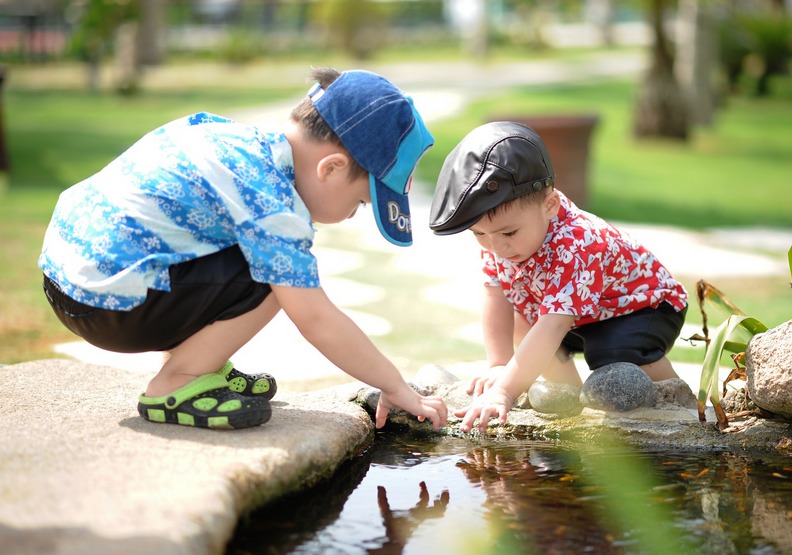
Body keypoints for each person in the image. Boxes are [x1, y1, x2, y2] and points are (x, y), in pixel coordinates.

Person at [39, 67, 448, 431]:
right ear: (332, 168)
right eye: (360, 203)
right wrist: (394, 385)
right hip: (108, 305)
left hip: (69, 279)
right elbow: (316, 319)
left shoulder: (232, 139)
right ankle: (177, 383)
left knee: (258, 256)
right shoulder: (271, 202)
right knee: (279, 279)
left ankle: (202, 364)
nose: (350, 215)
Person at [429, 121, 688, 433]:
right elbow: (495, 295)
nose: (496, 246)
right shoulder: (500, 240)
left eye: (508, 232)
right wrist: (499, 364)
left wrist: (504, 391)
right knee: (523, 318)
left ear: (549, 205)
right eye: (479, 234)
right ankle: (569, 402)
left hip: (643, 308)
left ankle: (676, 401)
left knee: (611, 354)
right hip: (579, 314)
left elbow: (554, 324)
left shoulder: (578, 243)